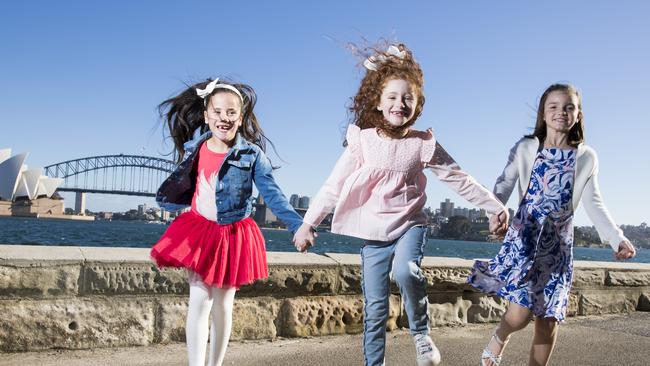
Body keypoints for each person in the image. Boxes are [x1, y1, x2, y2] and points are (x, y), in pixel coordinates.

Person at [293, 43, 509, 366]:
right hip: (374, 235)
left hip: (410, 225)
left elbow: (458, 178)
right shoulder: (363, 142)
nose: (400, 103)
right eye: (392, 97)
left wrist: (494, 206)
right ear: (378, 103)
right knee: (376, 309)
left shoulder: (421, 144)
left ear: (418, 105)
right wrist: (308, 223)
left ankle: (421, 335)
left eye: (408, 98)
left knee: (406, 270)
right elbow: (332, 185)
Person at [468, 83, 637, 366]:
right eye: (554, 107)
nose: (562, 112)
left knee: (548, 321)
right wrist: (494, 214)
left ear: (578, 115)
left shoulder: (586, 157)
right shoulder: (526, 147)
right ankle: (500, 336)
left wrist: (615, 237)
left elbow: (593, 202)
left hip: (557, 248)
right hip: (525, 240)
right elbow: (503, 184)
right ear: (544, 114)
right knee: (519, 316)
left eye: (569, 107)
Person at [151, 78, 313, 366]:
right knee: (199, 301)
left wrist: (298, 226)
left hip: (232, 235)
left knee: (223, 306)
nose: (223, 118)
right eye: (217, 112)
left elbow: (273, 195)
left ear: (240, 117)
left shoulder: (252, 155)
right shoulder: (197, 146)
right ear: (206, 115)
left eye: (231, 113)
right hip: (199, 231)